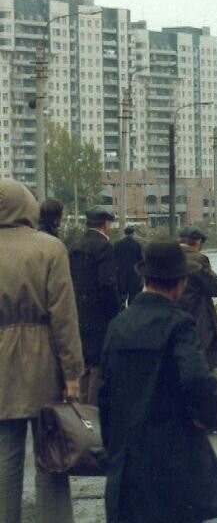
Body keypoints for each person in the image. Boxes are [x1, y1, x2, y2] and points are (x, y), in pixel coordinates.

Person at [100, 240, 217, 523]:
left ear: (145, 278)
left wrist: (113, 448)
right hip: (173, 455)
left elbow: (105, 392)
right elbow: (200, 379)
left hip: (129, 460)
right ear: (179, 282)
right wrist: (208, 419)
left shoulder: (118, 326)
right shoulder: (179, 324)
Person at [0, 178, 84, 523]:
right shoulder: (49, 248)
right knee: (52, 454)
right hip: (43, 359)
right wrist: (73, 374)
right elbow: (64, 317)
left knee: (5, 454)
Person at [177, 226, 217, 433]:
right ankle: (214, 421)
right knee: (208, 374)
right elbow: (215, 288)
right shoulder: (199, 260)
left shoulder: (168, 257)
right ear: (198, 242)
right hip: (198, 324)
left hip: (172, 322)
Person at [68, 207, 121, 404]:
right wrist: (115, 312)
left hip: (79, 313)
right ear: (105, 225)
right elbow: (107, 284)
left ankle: (81, 411)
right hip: (100, 315)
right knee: (99, 363)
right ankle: (93, 409)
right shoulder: (104, 247)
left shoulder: (75, 246)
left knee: (84, 362)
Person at [113, 226, 144, 306]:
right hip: (133, 274)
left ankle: (121, 308)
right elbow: (140, 260)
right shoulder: (137, 245)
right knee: (133, 295)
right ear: (133, 233)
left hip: (120, 273)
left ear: (124, 233)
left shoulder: (117, 245)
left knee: (121, 294)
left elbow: (114, 259)